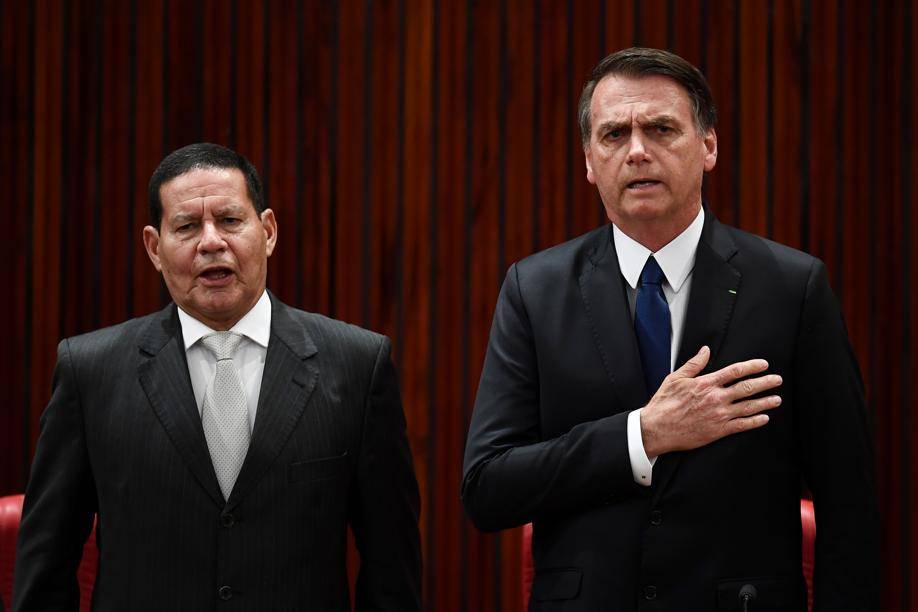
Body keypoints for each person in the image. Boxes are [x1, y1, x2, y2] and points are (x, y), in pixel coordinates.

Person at [462, 48, 878, 611]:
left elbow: (848, 502)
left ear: (708, 146)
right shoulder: (534, 290)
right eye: (614, 135)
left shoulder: (791, 288)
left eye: (661, 129)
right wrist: (641, 436)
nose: (637, 151)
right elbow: (487, 487)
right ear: (589, 161)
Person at [13, 143, 421, 610]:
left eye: (229, 220)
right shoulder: (91, 372)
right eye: (187, 226)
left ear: (268, 231)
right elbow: (46, 569)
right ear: (154, 248)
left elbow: (392, 570)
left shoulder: (356, 365)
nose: (211, 242)